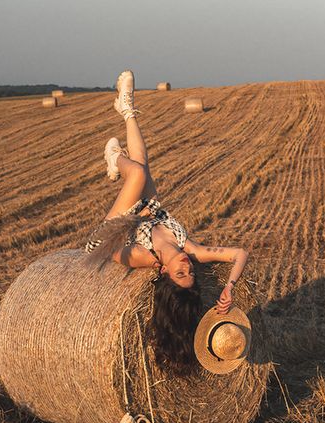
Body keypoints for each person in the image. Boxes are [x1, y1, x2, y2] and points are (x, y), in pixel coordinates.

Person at [85, 70, 250, 374]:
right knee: (144, 167)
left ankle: (113, 158)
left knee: (135, 174)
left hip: (112, 233)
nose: (188, 265)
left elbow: (107, 249)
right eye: (190, 272)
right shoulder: (191, 248)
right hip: (148, 211)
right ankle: (127, 109)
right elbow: (240, 254)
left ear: (164, 273)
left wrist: (135, 217)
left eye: (181, 272)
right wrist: (229, 286)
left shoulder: (144, 257)